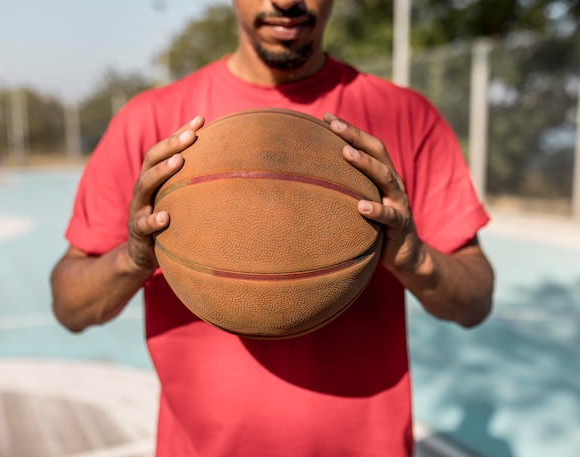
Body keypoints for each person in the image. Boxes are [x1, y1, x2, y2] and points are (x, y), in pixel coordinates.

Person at [51, 0, 495, 455]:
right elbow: (70, 306)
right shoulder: (148, 123)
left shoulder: (404, 116)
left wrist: (411, 257)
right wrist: (133, 258)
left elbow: (475, 301)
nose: (286, 1)